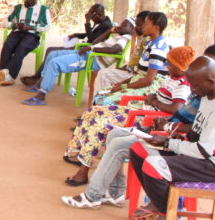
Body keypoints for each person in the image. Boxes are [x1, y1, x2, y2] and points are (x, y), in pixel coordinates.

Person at [61, 44, 215, 209]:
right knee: (113, 135)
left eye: (213, 69)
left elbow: (201, 144)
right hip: (175, 134)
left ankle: (93, 195)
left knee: (120, 145)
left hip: (191, 151)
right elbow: (195, 126)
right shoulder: (206, 92)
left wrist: (166, 136)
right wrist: (167, 128)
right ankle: (116, 193)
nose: (193, 88)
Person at [129, 56, 215, 220]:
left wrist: (168, 143)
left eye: (196, 86)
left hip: (214, 165)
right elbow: (196, 131)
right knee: (138, 149)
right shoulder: (207, 94)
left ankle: (169, 214)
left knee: (153, 166)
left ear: (211, 80)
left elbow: (202, 151)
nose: (193, 90)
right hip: (198, 153)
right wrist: (169, 133)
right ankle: (158, 202)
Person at [62, 44, 195, 186]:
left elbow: (176, 108)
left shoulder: (183, 84)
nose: (167, 66)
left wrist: (155, 102)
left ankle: (84, 170)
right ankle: (77, 152)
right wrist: (153, 97)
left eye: (170, 64)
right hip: (143, 112)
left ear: (180, 67)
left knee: (99, 122)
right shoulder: (172, 78)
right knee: (91, 112)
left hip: (147, 120)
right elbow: (162, 95)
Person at [19, 17, 134, 106]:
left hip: (92, 60)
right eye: (121, 24)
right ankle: (41, 82)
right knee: (52, 54)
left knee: (55, 63)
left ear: (132, 29)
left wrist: (91, 48)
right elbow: (94, 42)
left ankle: (41, 95)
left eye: (125, 25)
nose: (121, 27)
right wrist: (109, 31)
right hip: (88, 54)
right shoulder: (116, 36)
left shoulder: (126, 38)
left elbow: (114, 49)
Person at [92, 11, 170, 106]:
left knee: (105, 101)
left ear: (156, 27)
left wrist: (123, 86)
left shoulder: (158, 48)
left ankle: (105, 119)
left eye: (146, 24)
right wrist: (121, 84)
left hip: (150, 89)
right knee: (100, 95)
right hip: (139, 81)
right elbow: (139, 72)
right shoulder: (150, 43)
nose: (143, 26)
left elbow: (148, 80)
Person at [21, 3, 111, 86]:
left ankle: (39, 78)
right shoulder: (99, 22)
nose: (90, 18)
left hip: (84, 51)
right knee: (50, 50)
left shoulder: (106, 25)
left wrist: (87, 22)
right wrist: (76, 35)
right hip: (81, 46)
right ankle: (39, 77)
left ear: (99, 15)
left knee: (51, 51)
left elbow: (92, 40)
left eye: (92, 16)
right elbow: (90, 34)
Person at [0, 0, 50, 86]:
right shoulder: (17, 8)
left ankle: (7, 74)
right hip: (17, 33)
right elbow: (4, 22)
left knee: (22, 47)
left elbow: (47, 26)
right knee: (8, 44)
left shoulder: (43, 9)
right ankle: (5, 75)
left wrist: (30, 27)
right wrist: (14, 25)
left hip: (32, 35)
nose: (25, 1)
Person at [90, 10, 149, 94]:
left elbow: (139, 69)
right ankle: (100, 102)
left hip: (135, 75)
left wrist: (91, 49)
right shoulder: (140, 39)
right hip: (130, 71)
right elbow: (134, 62)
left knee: (104, 74)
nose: (136, 28)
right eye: (135, 24)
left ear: (146, 25)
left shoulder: (145, 41)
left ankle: (101, 103)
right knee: (103, 74)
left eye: (138, 25)